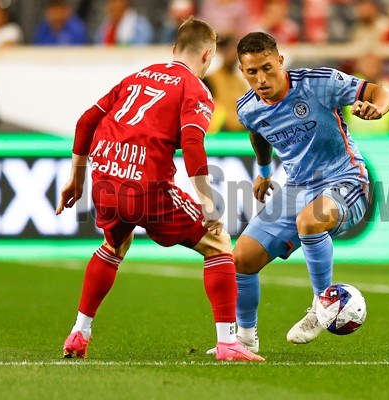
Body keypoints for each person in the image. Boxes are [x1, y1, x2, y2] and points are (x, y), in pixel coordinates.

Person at [56, 17, 263, 362]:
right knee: (219, 242)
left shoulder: (137, 76)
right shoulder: (194, 88)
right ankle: (228, 342)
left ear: (173, 50)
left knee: (114, 243)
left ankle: (79, 332)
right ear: (208, 55)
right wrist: (208, 203)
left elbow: (85, 121)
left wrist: (76, 177)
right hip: (146, 186)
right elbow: (193, 142)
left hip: (105, 179)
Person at [208, 31, 389, 353]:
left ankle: (321, 308)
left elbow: (382, 92)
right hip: (297, 188)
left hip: (346, 179)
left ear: (281, 61)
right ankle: (245, 338)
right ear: (242, 71)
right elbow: (259, 135)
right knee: (241, 258)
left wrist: (378, 108)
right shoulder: (248, 108)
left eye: (267, 68)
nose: (261, 78)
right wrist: (264, 173)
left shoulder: (319, 83)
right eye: (252, 72)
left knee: (310, 221)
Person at [203, 34, 249, 133]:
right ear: (223, 52)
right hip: (220, 132)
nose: (234, 55)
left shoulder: (240, 81)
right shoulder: (210, 79)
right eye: (230, 50)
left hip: (241, 132)